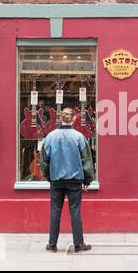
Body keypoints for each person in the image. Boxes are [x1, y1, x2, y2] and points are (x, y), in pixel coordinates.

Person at [40, 107, 94, 253]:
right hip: (74, 179)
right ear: (73, 119)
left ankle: (52, 244)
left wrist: (48, 176)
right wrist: (87, 180)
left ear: (60, 118)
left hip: (56, 179)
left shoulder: (50, 137)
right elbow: (87, 160)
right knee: (75, 211)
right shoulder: (79, 137)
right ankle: (78, 244)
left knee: (55, 211)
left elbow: (43, 160)